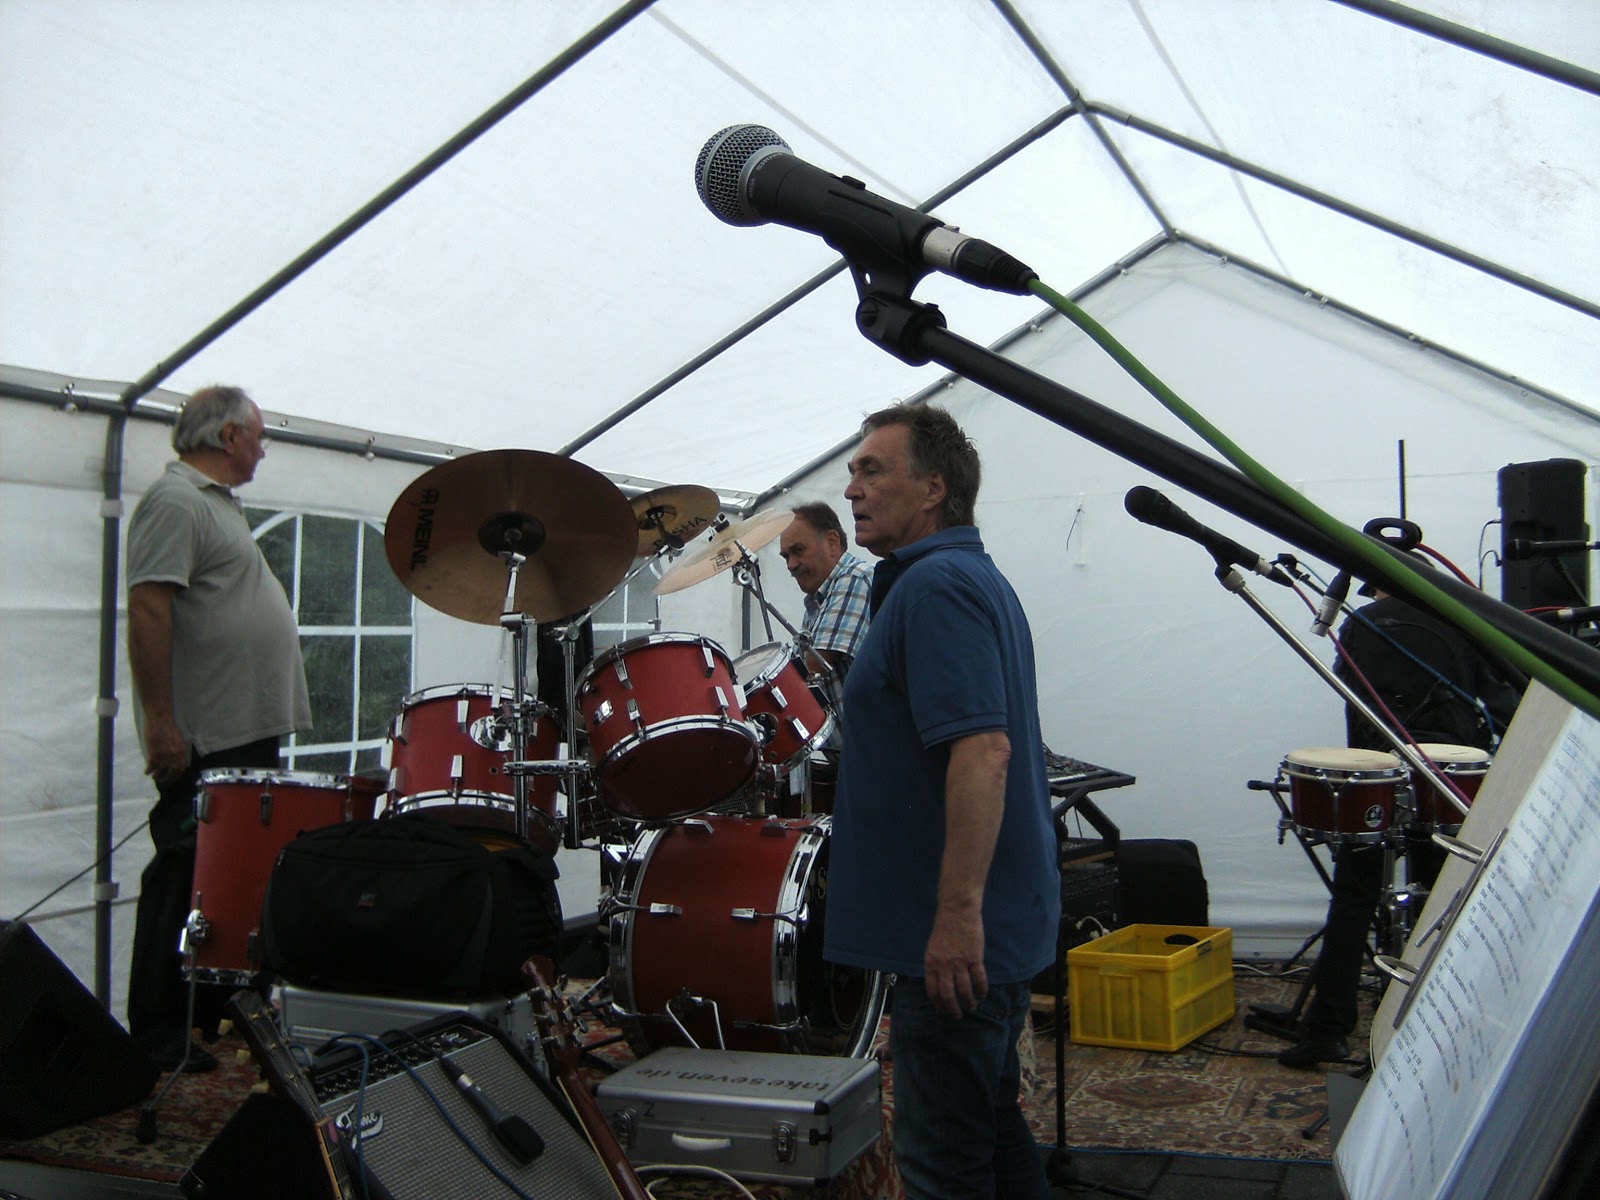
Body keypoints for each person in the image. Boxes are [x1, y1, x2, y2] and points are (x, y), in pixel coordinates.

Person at [823, 404, 1059, 1199]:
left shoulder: (936, 587)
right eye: (852, 471)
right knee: (988, 1129)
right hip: (972, 926)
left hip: (953, 935)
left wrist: (957, 917)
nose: (851, 488)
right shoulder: (950, 579)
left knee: (940, 1166)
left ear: (933, 489)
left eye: (872, 470)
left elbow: (983, 750)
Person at [125, 385, 311, 1071]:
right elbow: (149, 608)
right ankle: (154, 1028)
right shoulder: (176, 501)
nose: (263, 447)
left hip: (244, 724)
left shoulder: (216, 505)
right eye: (257, 434)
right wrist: (162, 724)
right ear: (228, 436)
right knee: (183, 867)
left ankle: (204, 1015)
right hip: (208, 729)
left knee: (229, 872)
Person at [1279, 569, 1522, 1069]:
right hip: (1445, 778)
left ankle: (1328, 1031)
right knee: (1439, 902)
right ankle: (1438, 1027)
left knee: (1354, 898)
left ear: (1380, 584)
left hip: (1376, 774)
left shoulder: (1360, 623)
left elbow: (1351, 695)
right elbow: (1503, 705)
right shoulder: (1462, 620)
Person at [777, 502, 872, 744]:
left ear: (832, 542)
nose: (790, 565)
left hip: (880, 756)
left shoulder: (854, 577)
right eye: (786, 556)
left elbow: (814, 665)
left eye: (798, 550)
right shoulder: (818, 602)